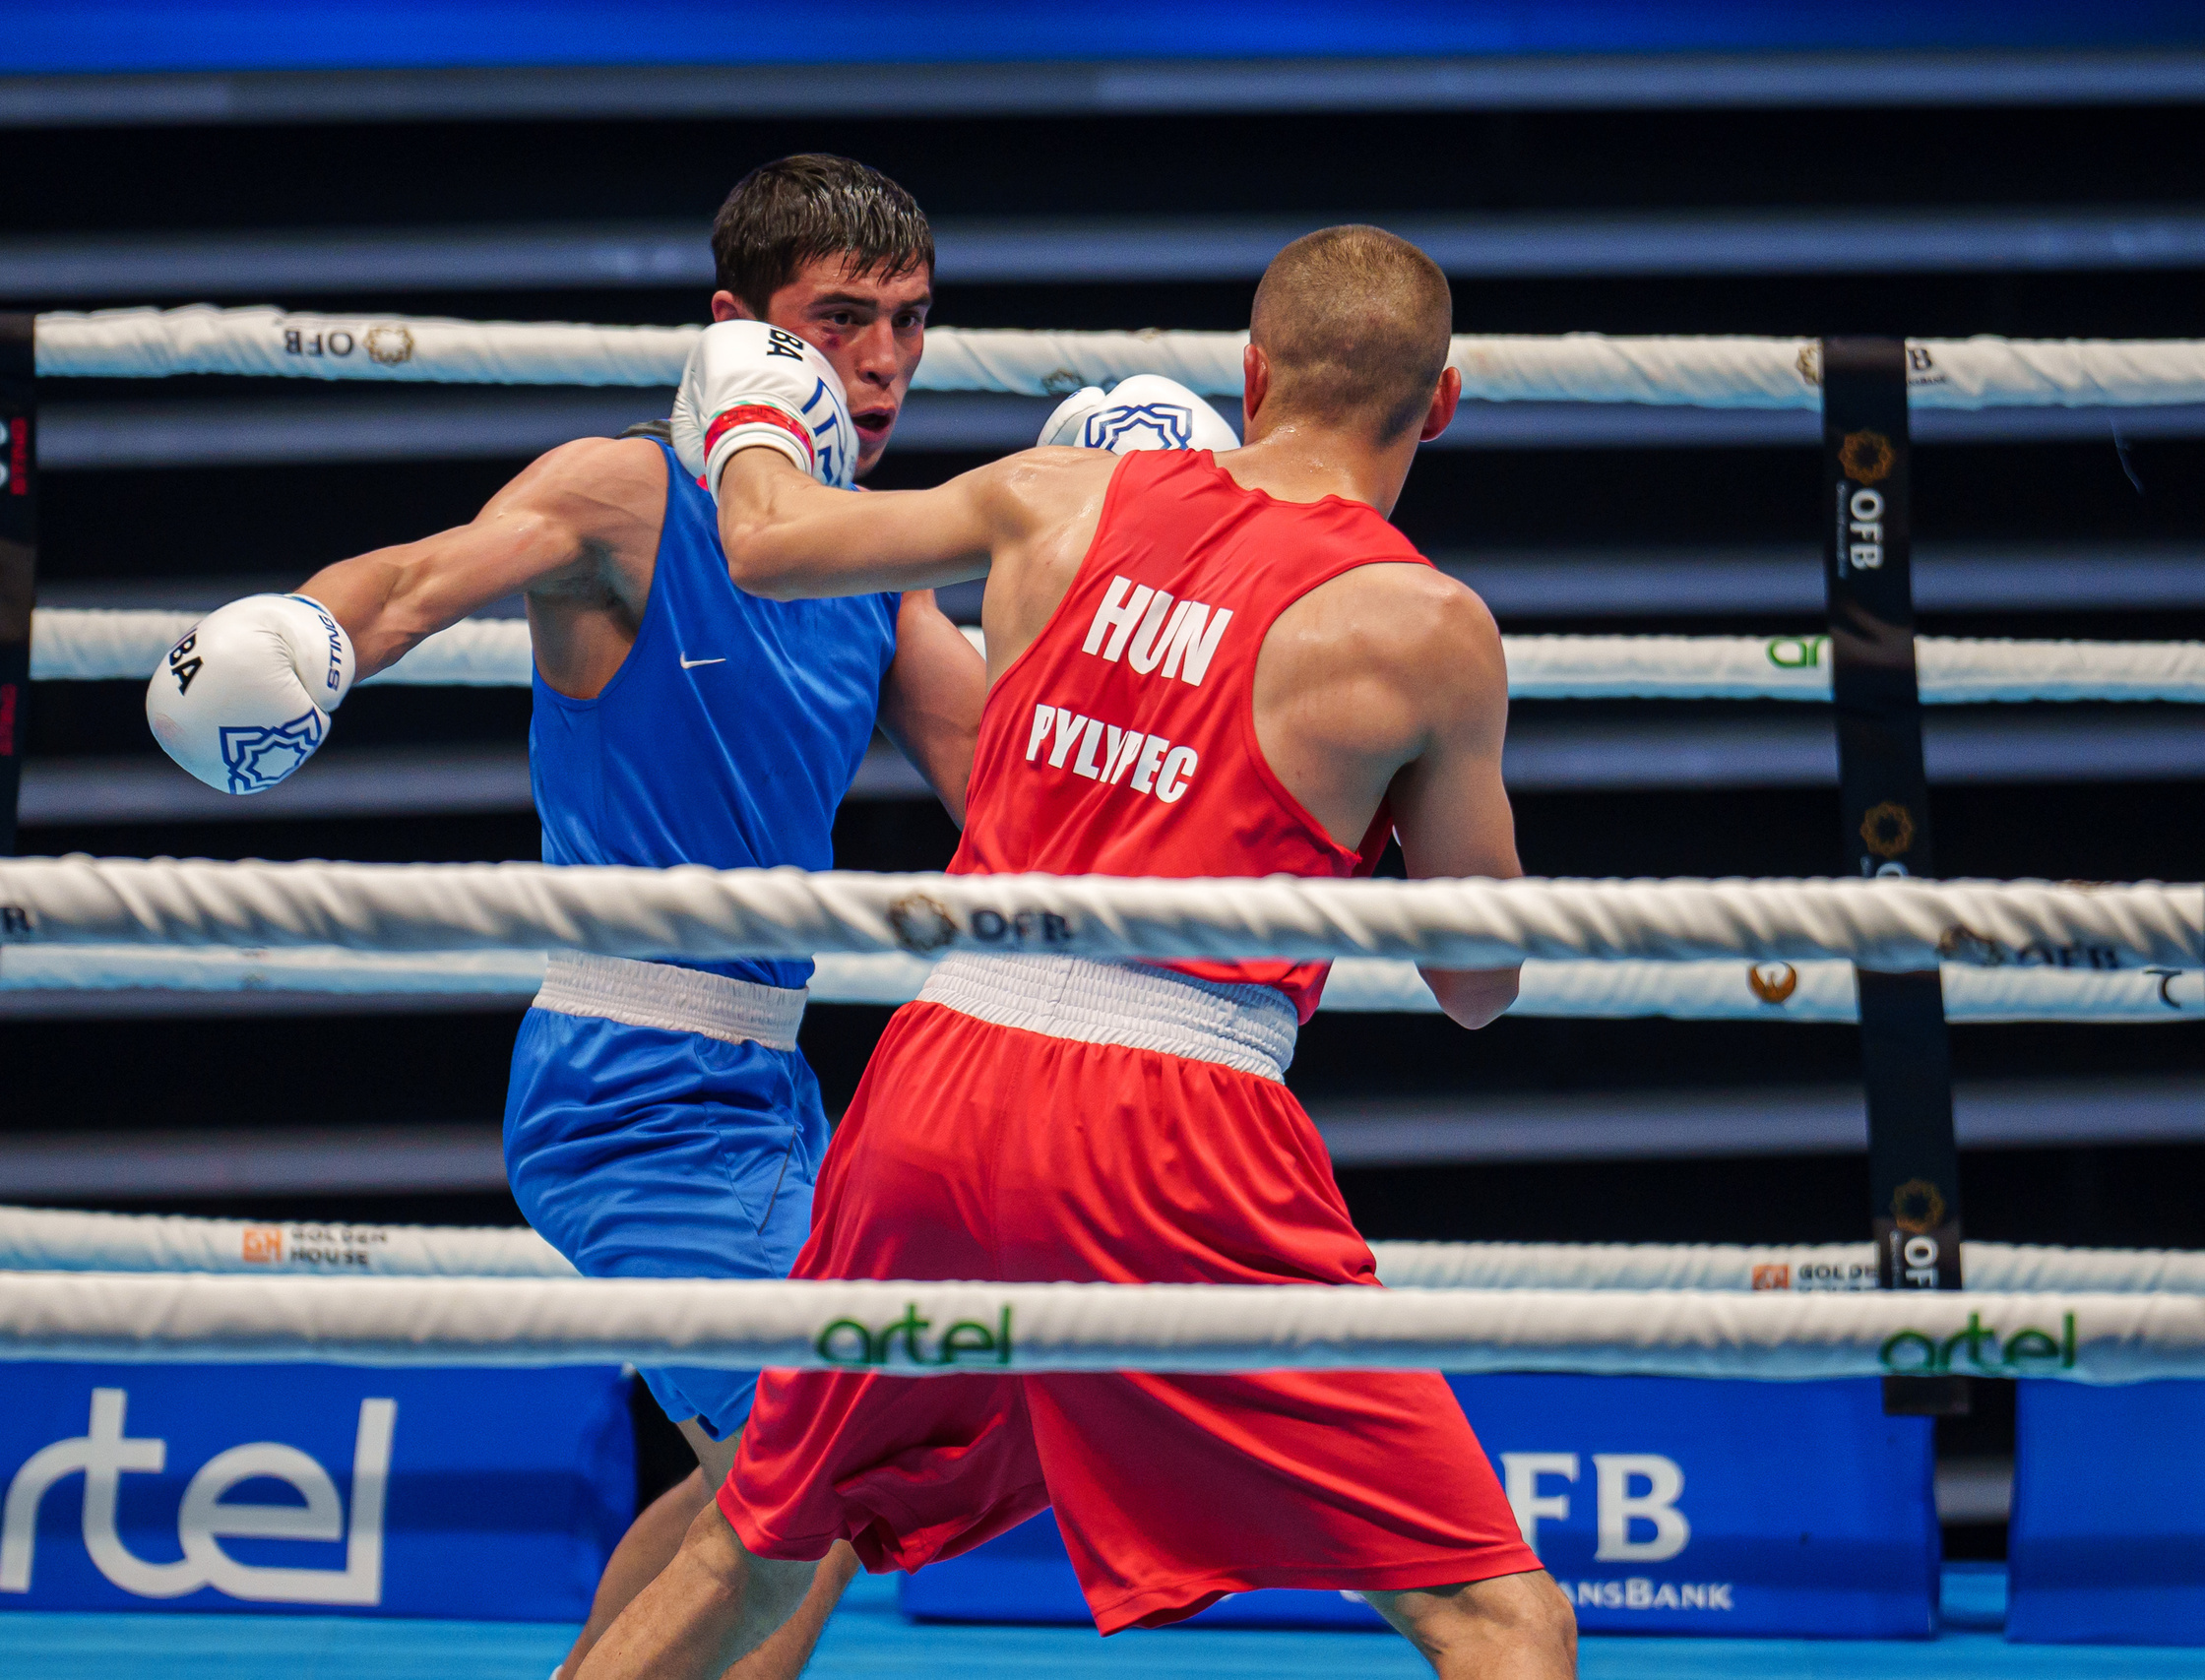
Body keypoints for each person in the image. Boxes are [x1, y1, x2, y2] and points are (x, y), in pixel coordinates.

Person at [582, 225, 1577, 1680]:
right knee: (1501, 1613)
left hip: (937, 1082)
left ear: (1252, 376)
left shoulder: (1061, 492)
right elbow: (1480, 989)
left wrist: (748, 399)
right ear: (1441, 404)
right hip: (1172, 1124)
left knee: (755, 1545)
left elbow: (769, 542)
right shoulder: (1425, 626)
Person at [143, 156, 986, 1680]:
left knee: (786, 1489)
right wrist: (308, 638)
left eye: (912, 322)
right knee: (803, 1479)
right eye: (842, 318)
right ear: (738, 328)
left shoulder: (875, 560)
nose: (882, 362)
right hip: (631, 1078)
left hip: (774, 1088)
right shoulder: (627, 491)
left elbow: (1020, 785)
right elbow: (420, 575)